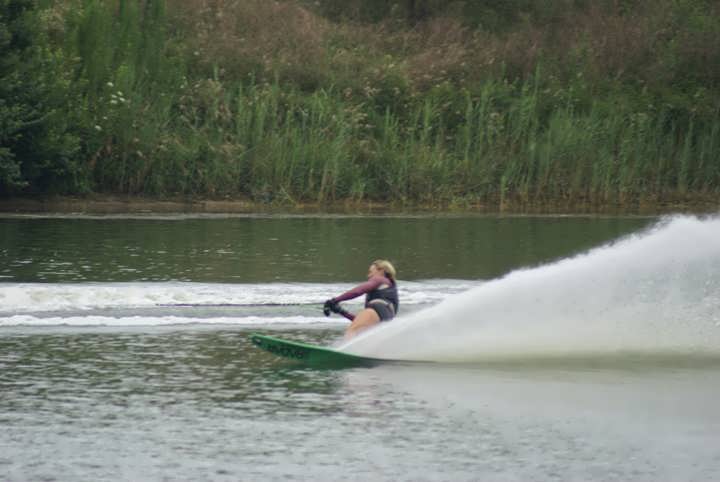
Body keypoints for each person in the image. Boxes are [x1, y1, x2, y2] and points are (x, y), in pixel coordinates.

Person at [324, 259, 399, 339]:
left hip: (380, 308)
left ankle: (347, 346)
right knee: (359, 333)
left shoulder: (380, 279)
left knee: (352, 331)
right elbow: (360, 321)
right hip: (386, 318)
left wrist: (335, 300)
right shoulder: (389, 287)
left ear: (381, 271)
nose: (368, 276)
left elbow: (358, 291)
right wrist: (341, 311)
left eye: (370, 272)